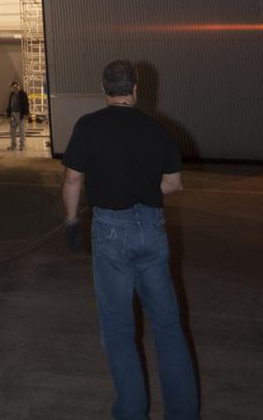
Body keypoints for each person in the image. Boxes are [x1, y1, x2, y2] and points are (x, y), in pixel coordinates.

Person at [62, 59, 199, 420]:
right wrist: (141, 187)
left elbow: (73, 179)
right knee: (168, 327)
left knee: (119, 329)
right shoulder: (157, 129)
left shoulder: (88, 126)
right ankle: (184, 412)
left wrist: (72, 221)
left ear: (103, 88)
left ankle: (132, 412)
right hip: (151, 229)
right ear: (136, 89)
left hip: (110, 231)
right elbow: (174, 183)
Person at [6, 79, 29, 149]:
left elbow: (26, 104)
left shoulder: (23, 94)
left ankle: (22, 145)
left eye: (14, 87)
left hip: (20, 114)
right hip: (13, 114)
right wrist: (8, 113)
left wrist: (26, 113)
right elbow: (10, 105)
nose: (13, 89)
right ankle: (13, 145)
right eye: (12, 88)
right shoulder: (11, 95)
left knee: (21, 130)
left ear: (17, 87)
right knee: (12, 130)